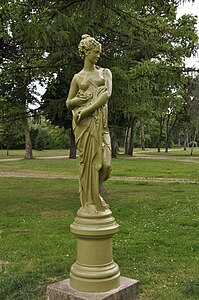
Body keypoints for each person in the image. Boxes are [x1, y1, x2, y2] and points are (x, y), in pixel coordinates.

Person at [66, 34, 112, 213]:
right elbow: (69, 102)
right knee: (89, 163)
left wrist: (87, 109)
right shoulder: (77, 78)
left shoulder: (105, 73)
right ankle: (90, 200)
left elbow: (106, 94)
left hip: (101, 122)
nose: (98, 55)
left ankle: (93, 193)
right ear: (86, 53)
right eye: (95, 52)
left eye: (99, 52)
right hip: (83, 124)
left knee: (106, 165)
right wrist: (78, 100)